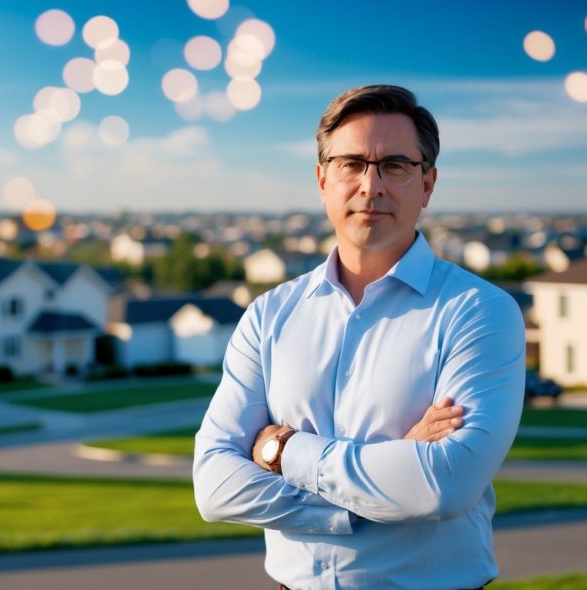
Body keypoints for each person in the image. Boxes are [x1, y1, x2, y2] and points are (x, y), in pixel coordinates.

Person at [193, 85, 525, 590]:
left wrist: (285, 453)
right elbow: (215, 487)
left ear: (427, 183)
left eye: (395, 166)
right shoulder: (269, 316)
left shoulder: (479, 312)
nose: (371, 186)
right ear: (322, 179)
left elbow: (444, 486)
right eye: (351, 164)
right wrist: (382, 485)